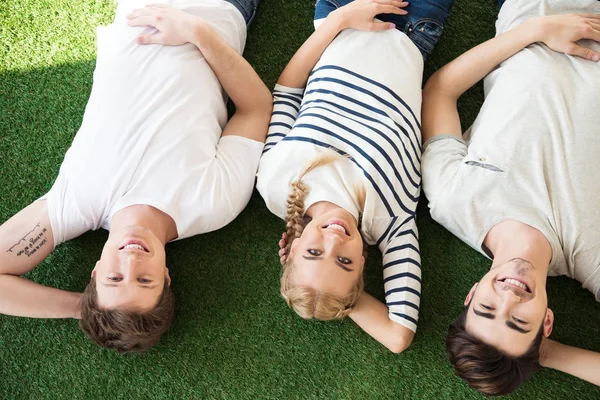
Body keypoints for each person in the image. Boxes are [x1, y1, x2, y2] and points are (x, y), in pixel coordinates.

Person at [0, 0, 271, 353]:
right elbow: (257, 108)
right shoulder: (212, 205)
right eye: (145, 280)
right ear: (166, 277)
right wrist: (197, 32)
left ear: (95, 272)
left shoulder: (76, 205)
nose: (131, 260)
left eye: (114, 278)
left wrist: (85, 308)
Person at [420, 0, 600, 394]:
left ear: (471, 294)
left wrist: (535, 30)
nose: (508, 298)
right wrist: (545, 354)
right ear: (546, 322)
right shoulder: (592, 259)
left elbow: (439, 92)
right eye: (519, 322)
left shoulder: (452, 201)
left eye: (487, 309)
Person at [256, 0, 454, 353]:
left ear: (292, 248)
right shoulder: (390, 222)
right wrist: (337, 297)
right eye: (345, 262)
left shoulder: (274, 184)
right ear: (363, 264)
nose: (334, 241)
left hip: (339, 17)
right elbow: (398, 336)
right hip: (412, 30)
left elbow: (287, 91)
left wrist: (339, 20)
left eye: (314, 252)